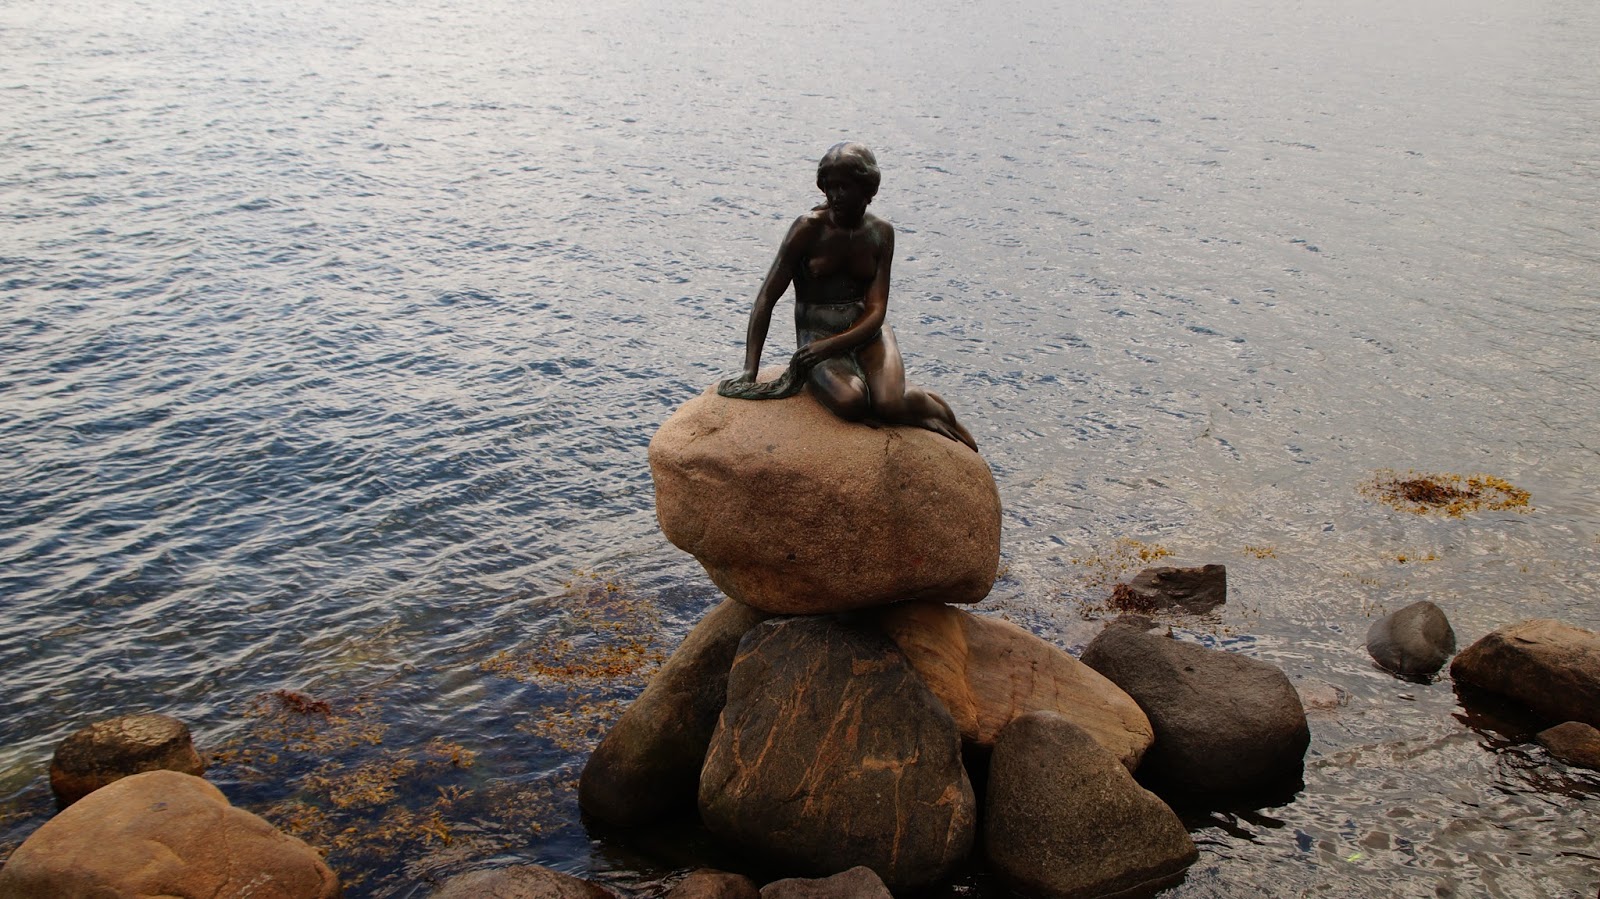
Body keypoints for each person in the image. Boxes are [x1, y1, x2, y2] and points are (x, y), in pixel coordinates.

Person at [719, 142, 977, 451]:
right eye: (829, 186)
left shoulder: (881, 232)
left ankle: (936, 410)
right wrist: (750, 369)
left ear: (868, 188)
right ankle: (899, 401)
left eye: (844, 186)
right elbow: (765, 299)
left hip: (867, 331)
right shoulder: (807, 229)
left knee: (890, 403)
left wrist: (834, 345)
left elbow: (877, 309)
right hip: (818, 335)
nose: (835, 195)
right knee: (852, 401)